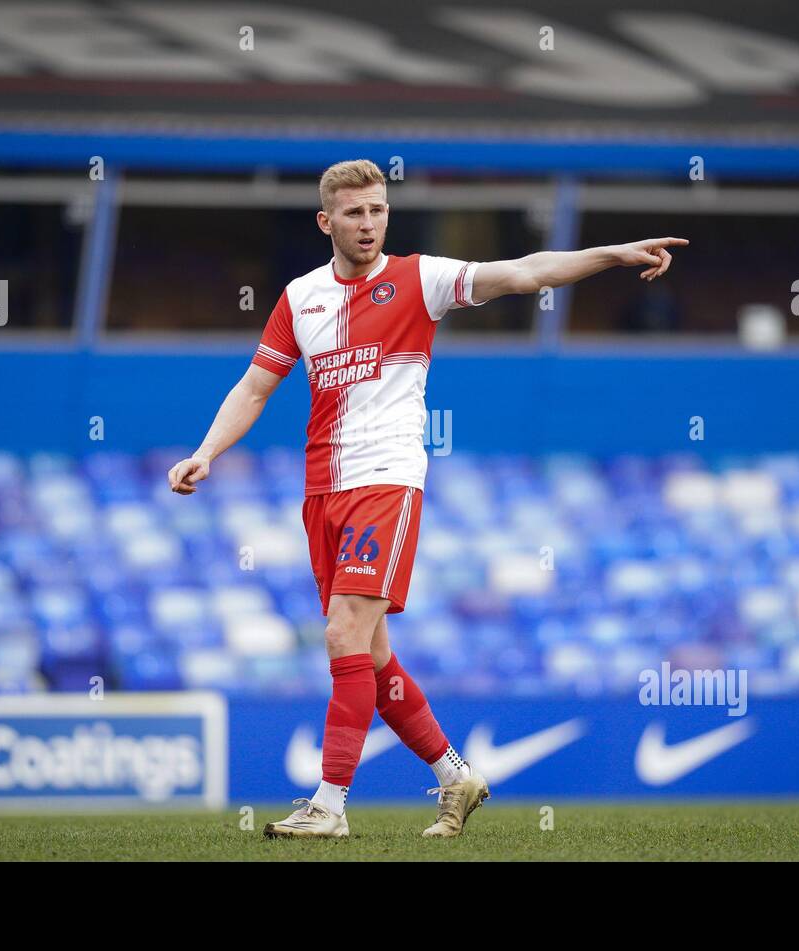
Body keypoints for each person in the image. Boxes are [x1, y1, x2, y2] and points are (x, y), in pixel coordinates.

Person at [168, 159, 685, 838]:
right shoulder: (300, 298)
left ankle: (329, 804)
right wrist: (207, 450)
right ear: (326, 222)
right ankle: (455, 773)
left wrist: (610, 254)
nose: (369, 223)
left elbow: (525, 271)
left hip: (387, 481)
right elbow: (255, 387)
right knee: (372, 655)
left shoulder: (421, 279)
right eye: (354, 213)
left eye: (378, 210)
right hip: (323, 490)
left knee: (343, 631)